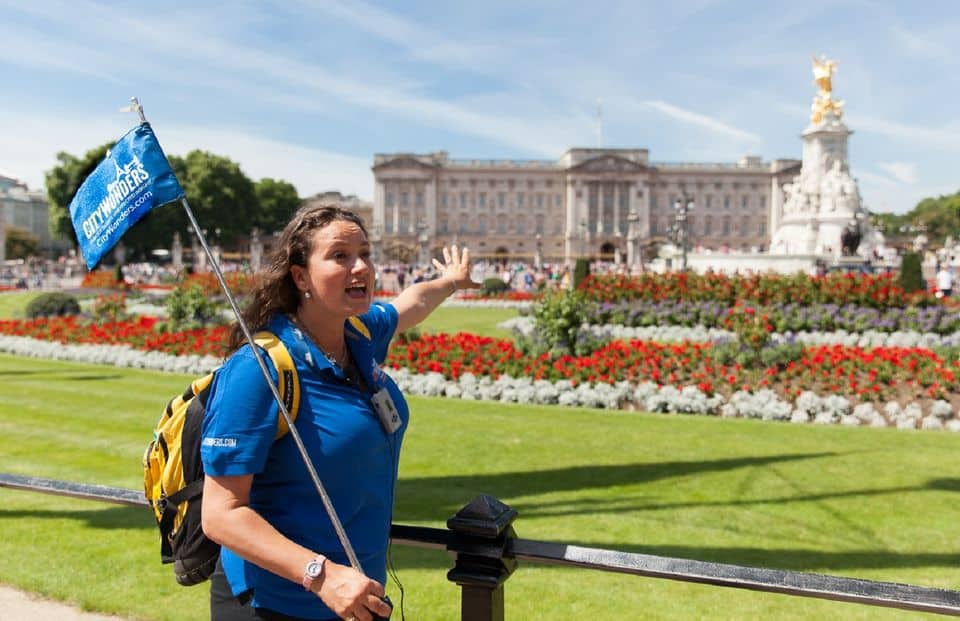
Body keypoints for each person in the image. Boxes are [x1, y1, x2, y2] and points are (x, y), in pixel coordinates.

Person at [200, 205, 478, 621]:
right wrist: (322, 575)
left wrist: (451, 281)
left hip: (355, 597)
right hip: (276, 604)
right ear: (300, 277)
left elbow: (411, 303)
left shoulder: (357, 332)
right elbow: (221, 514)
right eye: (340, 256)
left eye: (364, 253)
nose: (361, 266)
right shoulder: (258, 370)